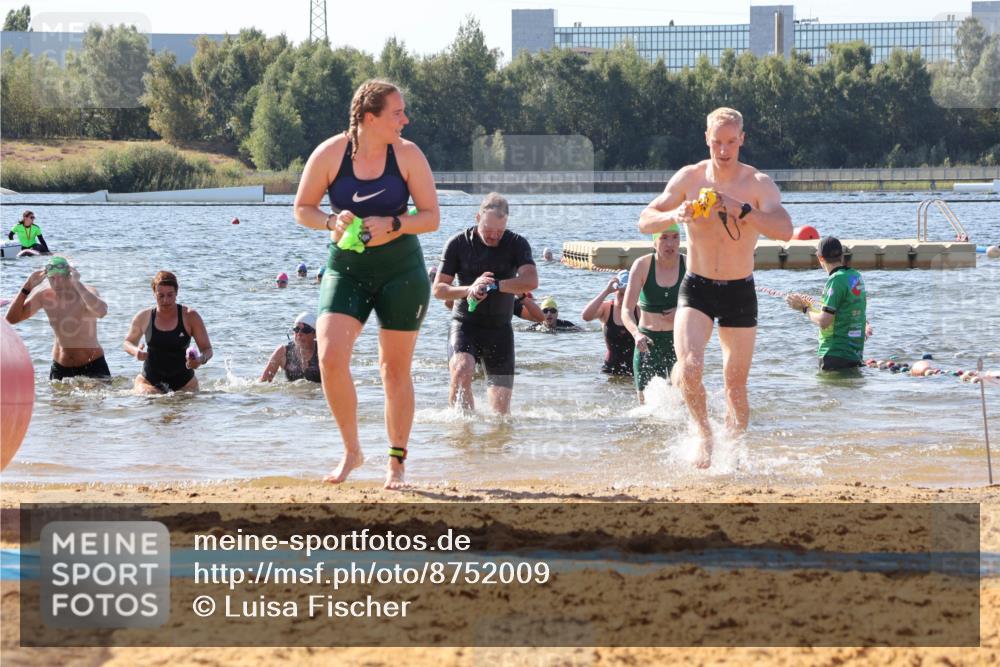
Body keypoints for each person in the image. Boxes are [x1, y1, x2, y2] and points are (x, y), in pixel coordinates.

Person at [293, 79, 439, 489]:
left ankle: (396, 463)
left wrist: (394, 222)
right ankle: (352, 451)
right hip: (347, 268)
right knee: (330, 358)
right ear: (369, 118)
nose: (405, 120)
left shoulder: (408, 155)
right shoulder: (330, 153)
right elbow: (302, 208)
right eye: (397, 113)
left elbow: (430, 217)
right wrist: (329, 221)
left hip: (401, 271)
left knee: (394, 371)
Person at [638, 107, 792, 468]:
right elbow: (645, 219)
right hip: (698, 286)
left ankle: (733, 451)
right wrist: (675, 216)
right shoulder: (689, 178)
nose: (723, 150)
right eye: (717, 142)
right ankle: (704, 434)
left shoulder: (757, 183)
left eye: (731, 143)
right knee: (690, 367)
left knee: (734, 384)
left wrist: (743, 210)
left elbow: (785, 230)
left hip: (740, 289)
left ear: (742, 140)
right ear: (706, 139)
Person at [432, 193, 538, 415]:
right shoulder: (458, 243)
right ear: (478, 216)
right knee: (461, 371)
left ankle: (491, 449)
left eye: (499, 231)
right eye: (489, 230)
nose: (494, 237)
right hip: (465, 325)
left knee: (500, 414)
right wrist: (469, 289)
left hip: (500, 329)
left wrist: (495, 286)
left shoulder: (516, 243)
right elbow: (439, 290)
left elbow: (531, 281)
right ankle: (462, 437)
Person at [5, 256, 110, 380]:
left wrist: (77, 283)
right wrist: (27, 287)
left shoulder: (86, 292)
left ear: (68, 276)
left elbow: (102, 312)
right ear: (47, 278)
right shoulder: (44, 296)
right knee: (55, 400)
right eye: (52, 278)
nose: (56, 282)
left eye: (60, 277)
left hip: (92, 365)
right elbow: (11, 319)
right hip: (61, 367)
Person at [620, 228, 687, 401]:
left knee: (682, 398)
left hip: (678, 341)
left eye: (675, 237)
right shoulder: (642, 265)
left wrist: (681, 312)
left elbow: (703, 305)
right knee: (645, 403)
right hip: (647, 342)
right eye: (664, 238)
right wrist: (636, 334)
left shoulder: (689, 265)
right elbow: (626, 311)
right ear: (654, 242)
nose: (670, 244)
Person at [786, 237, 869, 371]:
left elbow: (825, 321)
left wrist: (804, 309)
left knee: (828, 391)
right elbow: (849, 309)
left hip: (834, 354)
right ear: (842, 256)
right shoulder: (856, 276)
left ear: (820, 258)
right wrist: (813, 307)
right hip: (855, 354)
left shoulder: (835, 280)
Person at [123, 271, 212, 394]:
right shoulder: (144, 316)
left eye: (170, 295)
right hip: (149, 382)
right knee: (148, 396)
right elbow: (128, 342)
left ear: (176, 293)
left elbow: (207, 349)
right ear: (154, 294)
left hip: (185, 383)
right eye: (161, 296)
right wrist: (136, 352)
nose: (165, 300)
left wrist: (200, 359)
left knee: (186, 406)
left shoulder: (190, 316)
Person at [581, 269, 638, 377]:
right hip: (610, 367)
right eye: (621, 294)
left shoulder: (638, 309)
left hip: (635, 368)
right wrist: (606, 291)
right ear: (615, 291)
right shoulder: (606, 308)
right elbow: (586, 316)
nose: (624, 299)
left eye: (627, 295)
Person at [260, 312, 321, 383]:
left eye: (305, 330)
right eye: (296, 329)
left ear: (315, 334)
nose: (299, 334)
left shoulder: (322, 352)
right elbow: (263, 382)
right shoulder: (283, 352)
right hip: (293, 394)